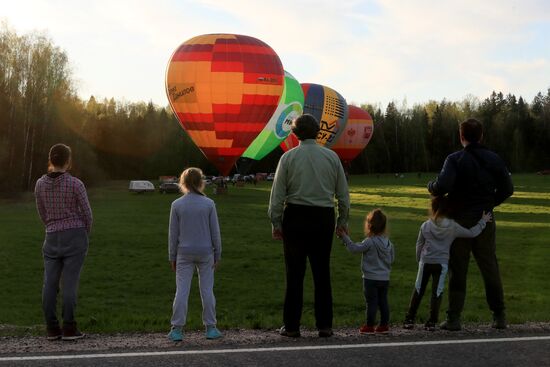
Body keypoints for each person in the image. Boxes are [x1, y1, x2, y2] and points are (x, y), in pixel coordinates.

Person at [268, 114, 350, 338]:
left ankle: (292, 326)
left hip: (295, 216)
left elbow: (277, 196)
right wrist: (342, 221)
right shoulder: (332, 157)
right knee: (322, 273)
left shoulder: (288, 158)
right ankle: (325, 325)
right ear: (318, 132)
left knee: (294, 274)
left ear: (295, 134)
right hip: (323, 217)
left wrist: (276, 222)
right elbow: (343, 195)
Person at [428, 118, 514, 330]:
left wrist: (431, 186)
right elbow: (508, 189)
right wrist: (490, 204)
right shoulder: (494, 159)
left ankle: (454, 318)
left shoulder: (454, 159)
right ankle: (499, 316)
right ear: (481, 136)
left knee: (458, 269)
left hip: (459, 220)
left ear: (461, 136)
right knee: (489, 267)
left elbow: (442, 186)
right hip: (486, 220)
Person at [403, 196, 492, 331]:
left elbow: (419, 244)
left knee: (418, 289)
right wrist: (483, 221)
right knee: (437, 292)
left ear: (433, 208)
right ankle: (432, 321)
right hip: (442, 263)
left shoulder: (426, 225)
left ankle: (409, 319)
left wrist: (419, 260)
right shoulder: (452, 227)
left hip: (425, 262)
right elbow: (472, 233)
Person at [35, 143, 92, 340]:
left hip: (51, 236)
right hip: (75, 235)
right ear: (68, 161)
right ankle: (69, 327)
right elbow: (87, 214)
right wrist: (85, 232)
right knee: (69, 284)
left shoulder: (39, 184)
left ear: (51, 160)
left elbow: (42, 212)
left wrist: (51, 226)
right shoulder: (76, 184)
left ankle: (52, 328)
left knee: (49, 284)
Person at [168, 167, 222, 342]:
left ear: (182, 183)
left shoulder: (176, 205)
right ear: (201, 182)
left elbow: (173, 235)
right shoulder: (209, 204)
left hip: (184, 253)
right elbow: (215, 232)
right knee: (207, 290)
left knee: (182, 291)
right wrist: (218, 253)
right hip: (206, 252)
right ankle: (211, 327)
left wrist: (172, 256)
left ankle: (177, 329)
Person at [338, 209, 394, 334]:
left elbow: (354, 249)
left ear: (369, 225)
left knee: (371, 302)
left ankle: (369, 326)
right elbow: (391, 259)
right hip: (384, 278)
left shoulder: (370, 241)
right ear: (384, 226)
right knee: (383, 301)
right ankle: (384, 325)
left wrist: (345, 237)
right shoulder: (389, 243)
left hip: (370, 278)